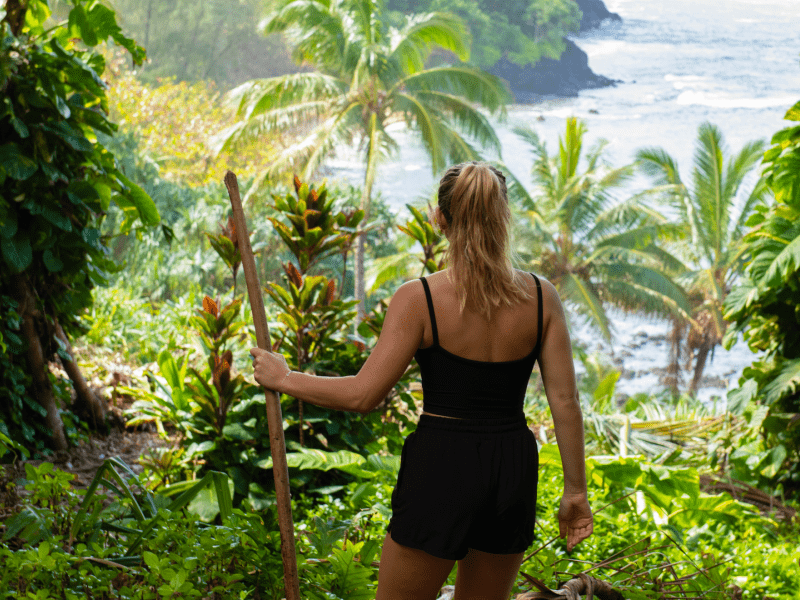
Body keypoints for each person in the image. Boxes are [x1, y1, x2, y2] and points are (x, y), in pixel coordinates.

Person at [250, 161, 593, 600]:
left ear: (440, 219)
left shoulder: (421, 299)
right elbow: (565, 402)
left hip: (442, 464)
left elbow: (363, 395)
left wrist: (285, 377)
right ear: (503, 218)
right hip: (511, 465)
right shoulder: (542, 297)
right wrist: (575, 490)